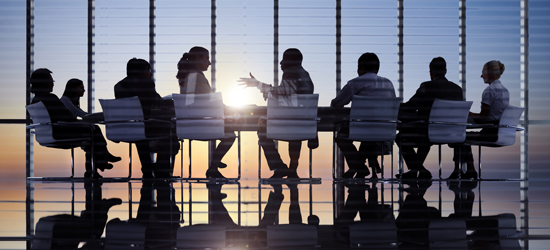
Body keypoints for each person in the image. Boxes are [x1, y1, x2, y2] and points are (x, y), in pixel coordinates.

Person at [239, 48, 315, 179]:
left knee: (262, 128)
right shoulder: (304, 75)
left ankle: (279, 166)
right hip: (302, 123)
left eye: (284, 59)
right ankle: (292, 169)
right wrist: (270, 93)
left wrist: (258, 85)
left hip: (288, 121)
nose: (280, 63)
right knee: (295, 134)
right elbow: (290, 96)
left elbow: (285, 91)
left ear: (290, 61)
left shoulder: (291, 72)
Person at [29, 68, 120, 178]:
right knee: (94, 129)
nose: (53, 84)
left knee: (91, 134)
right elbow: (66, 117)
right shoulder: (50, 98)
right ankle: (101, 161)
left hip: (47, 135)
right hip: (60, 133)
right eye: (51, 81)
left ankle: (97, 165)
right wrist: (80, 122)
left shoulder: (35, 100)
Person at [331, 52, 396, 179]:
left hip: (362, 128)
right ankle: (359, 168)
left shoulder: (355, 83)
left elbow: (337, 103)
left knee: (342, 137)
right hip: (385, 130)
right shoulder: (389, 84)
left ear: (361, 67)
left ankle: (359, 167)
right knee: (369, 138)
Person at [396, 57, 463, 179]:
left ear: (430, 71)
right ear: (445, 71)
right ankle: (416, 171)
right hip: (452, 133)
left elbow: (411, 107)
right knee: (425, 135)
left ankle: (419, 169)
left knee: (400, 137)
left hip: (428, 132)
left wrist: (400, 106)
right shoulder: (457, 90)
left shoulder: (427, 86)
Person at [176, 46, 236, 179]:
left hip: (187, 125)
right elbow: (210, 100)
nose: (209, 63)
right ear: (198, 58)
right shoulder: (196, 76)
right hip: (200, 125)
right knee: (230, 134)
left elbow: (196, 101)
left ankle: (215, 162)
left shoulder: (186, 76)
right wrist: (229, 110)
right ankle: (213, 166)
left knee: (226, 126)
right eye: (207, 59)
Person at [114, 58, 180, 179]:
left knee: (140, 131)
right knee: (171, 134)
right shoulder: (146, 83)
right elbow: (159, 103)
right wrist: (174, 102)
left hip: (126, 128)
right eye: (149, 70)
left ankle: (147, 170)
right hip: (146, 127)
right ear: (142, 70)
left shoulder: (118, 86)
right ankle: (162, 170)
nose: (150, 74)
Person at [449, 60, 509, 179]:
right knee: (463, 137)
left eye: (483, 72)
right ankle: (469, 170)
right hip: (502, 132)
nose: (481, 76)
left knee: (458, 137)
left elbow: (482, 119)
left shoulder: (489, 91)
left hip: (490, 132)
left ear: (491, 72)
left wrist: (467, 113)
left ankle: (459, 171)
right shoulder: (505, 90)